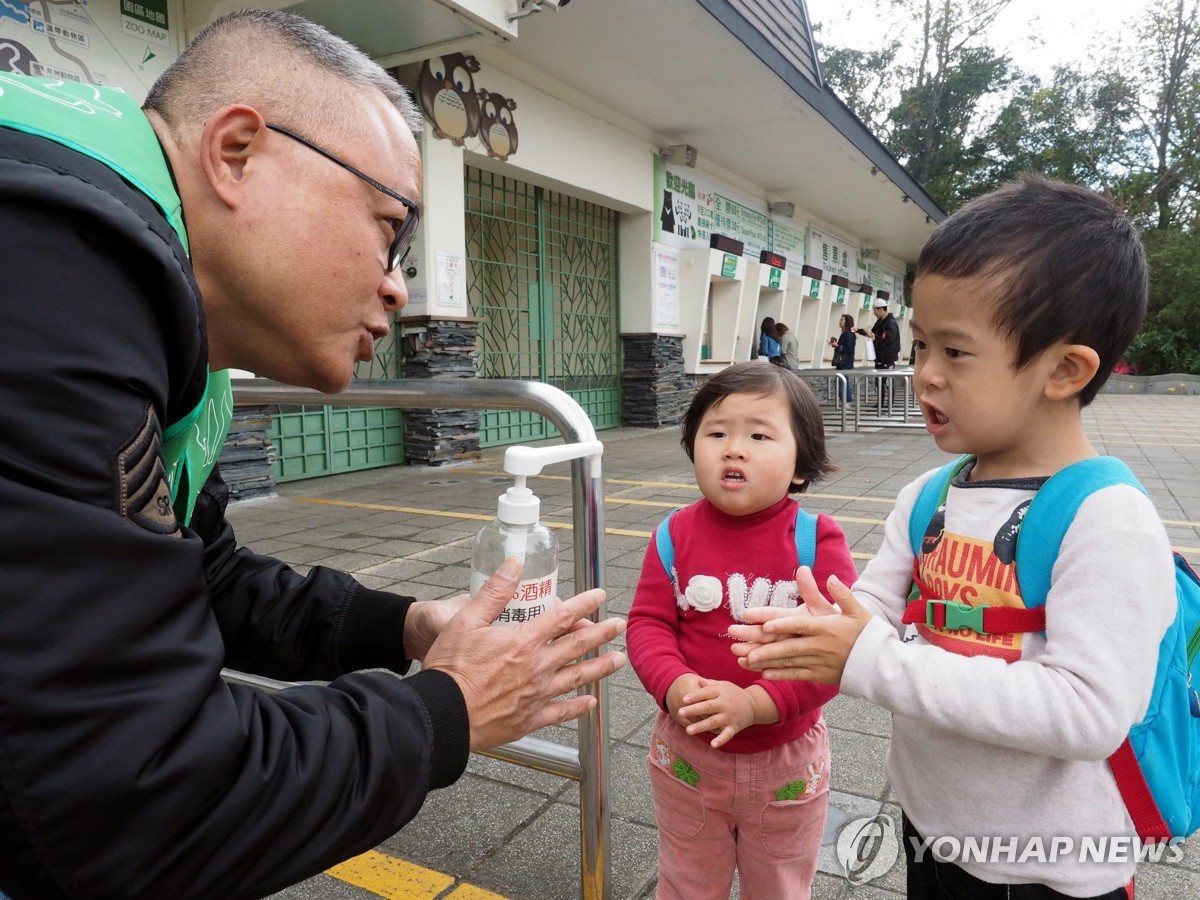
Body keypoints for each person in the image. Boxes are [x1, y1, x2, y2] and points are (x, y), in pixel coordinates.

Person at [0, 11, 626, 899]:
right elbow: (133, 801)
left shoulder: (147, 305)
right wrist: (446, 711)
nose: (400, 287)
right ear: (238, 151)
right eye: (388, 226)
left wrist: (404, 627)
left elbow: (199, 575)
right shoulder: (57, 266)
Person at [730, 174, 1176, 899]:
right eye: (920, 343)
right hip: (933, 821)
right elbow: (875, 602)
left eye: (956, 353)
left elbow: (1087, 711)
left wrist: (871, 661)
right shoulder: (930, 496)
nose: (923, 373)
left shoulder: (1107, 521)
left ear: (1064, 370)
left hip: (1050, 865)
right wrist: (819, 630)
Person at [627, 362, 857, 899]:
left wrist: (758, 703)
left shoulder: (816, 543)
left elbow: (838, 653)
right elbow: (649, 625)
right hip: (688, 754)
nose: (735, 448)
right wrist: (674, 685)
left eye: (759, 434)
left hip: (786, 760)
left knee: (778, 885)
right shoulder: (673, 535)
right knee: (687, 882)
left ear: (801, 465)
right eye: (717, 433)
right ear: (693, 448)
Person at [857, 297, 901, 369]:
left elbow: (888, 339)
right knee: (878, 380)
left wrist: (875, 337)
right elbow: (871, 333)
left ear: (880, 309)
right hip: (880, 358)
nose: (874, 313)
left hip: (887, 359)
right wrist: (859, 330)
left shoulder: (891, 323)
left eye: (875, 311)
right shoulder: (879, 322)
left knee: (885, 380)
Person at [827, 313, 857, 403]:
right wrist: (836, 345)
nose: (839, 322)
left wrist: (838, 346)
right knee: (844, 382)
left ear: (846, 322)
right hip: (843, 362)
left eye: (842, 320)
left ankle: (846, 401)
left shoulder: (848, 334)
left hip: (845, 362)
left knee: (841, 383)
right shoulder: (844, 334)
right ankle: (847, 401)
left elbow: (849, 348)